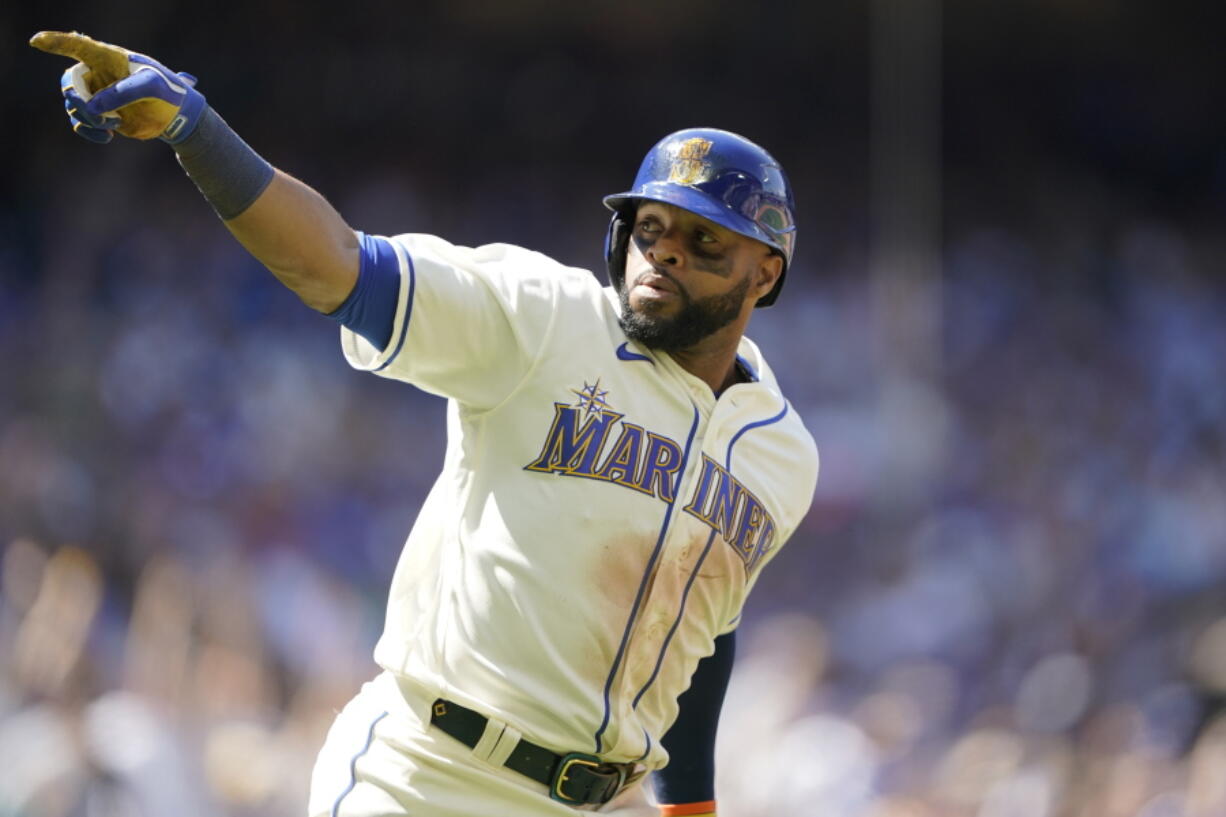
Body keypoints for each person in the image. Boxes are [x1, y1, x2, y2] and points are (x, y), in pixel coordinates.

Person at [32, 31, 819, 817]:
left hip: (607, 801)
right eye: (650, 228)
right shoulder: (541, 316)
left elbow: (704, 627)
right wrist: (195, 130)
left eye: (704, 239)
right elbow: (336, 263)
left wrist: (691, 804)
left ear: (766, 271)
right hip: (431, 774)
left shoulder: (784, 456)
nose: (665, 254)